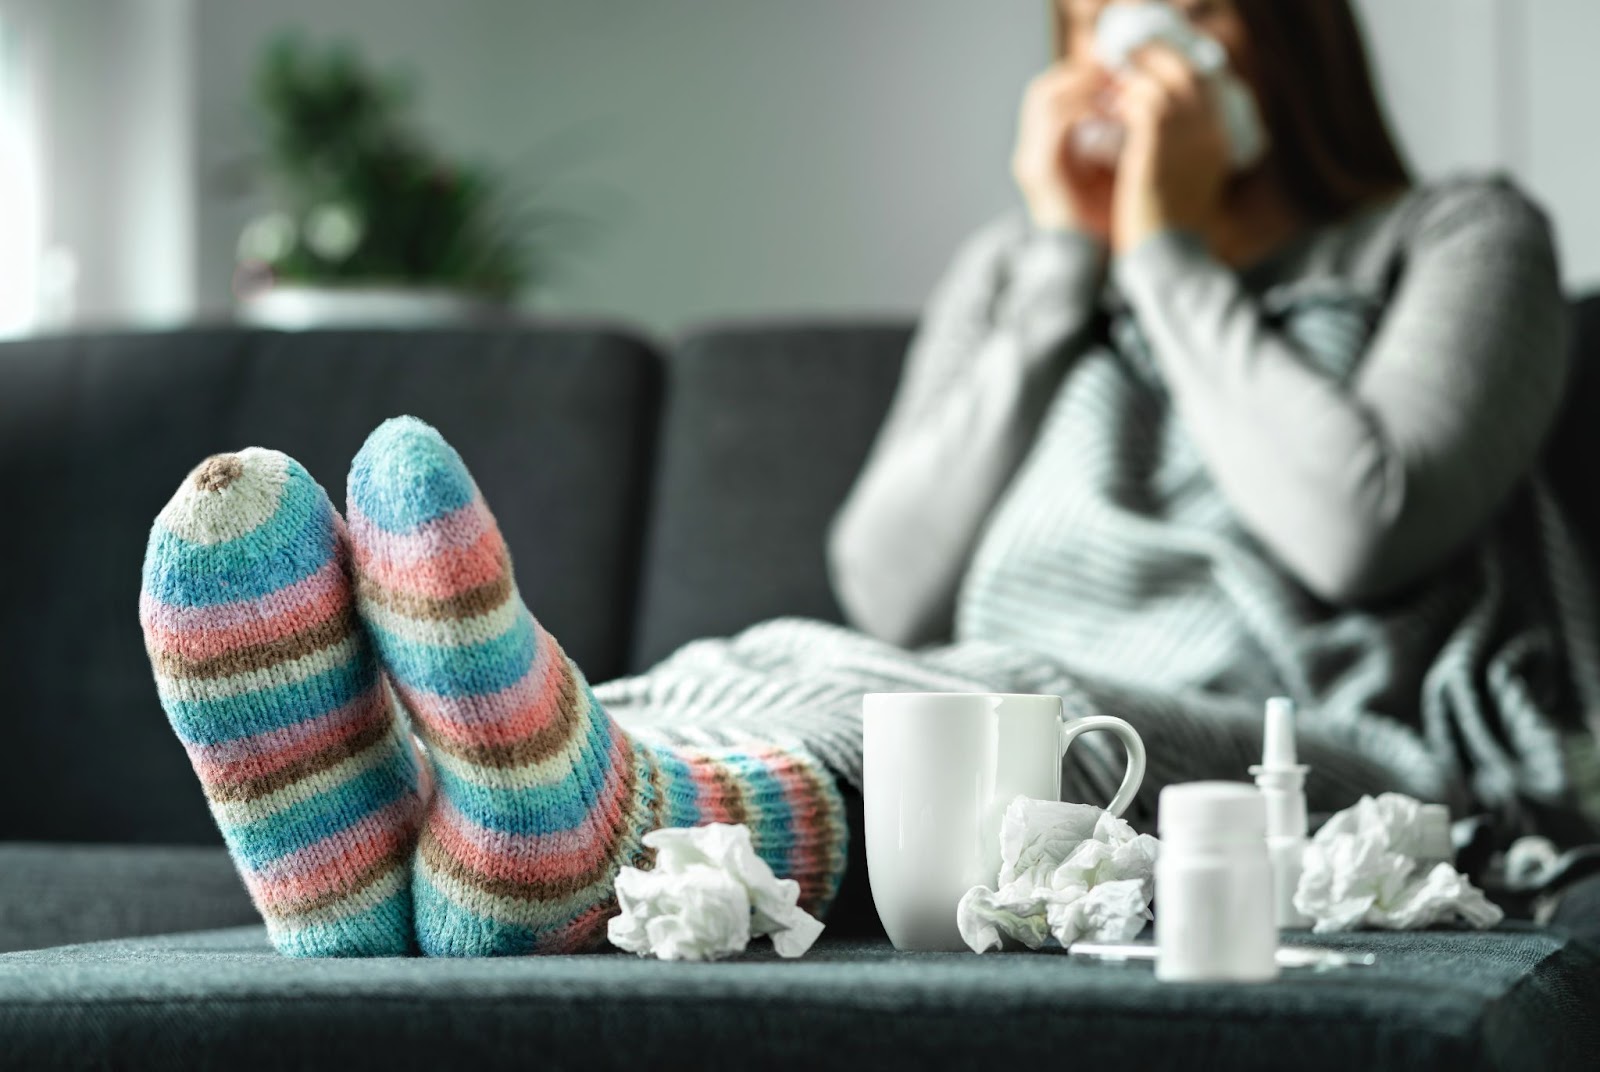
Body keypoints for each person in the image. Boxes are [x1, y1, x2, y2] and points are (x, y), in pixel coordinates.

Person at [138, 0, 1595, 959]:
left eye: (1191, 17)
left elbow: (1358, 528)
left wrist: (1163, 254)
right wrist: (1055, 279)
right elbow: (883, 577)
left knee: (978, 717)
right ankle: (397, 853)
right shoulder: (1021, 277)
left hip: (1296, 745)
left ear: (1284, 40)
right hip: (969, 671)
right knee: (752, 656)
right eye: (1102, 23)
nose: (1140, 60)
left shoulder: (1461, 236)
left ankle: (591, 846)